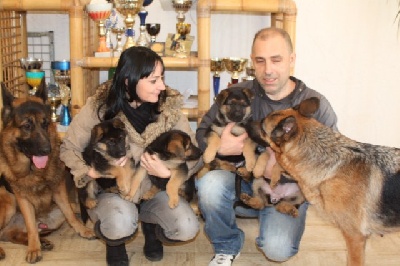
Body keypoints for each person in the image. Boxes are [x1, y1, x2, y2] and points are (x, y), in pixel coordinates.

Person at [196, 27, 338, 265]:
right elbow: (201, 133)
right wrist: (221, 147)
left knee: (278, 249)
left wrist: (287, 168)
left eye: (276, 60)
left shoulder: (315, 105)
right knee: (209, 185)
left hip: (287, 189)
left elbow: (333, 159)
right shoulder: (237, 93)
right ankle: (226, 244)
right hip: (241, 178)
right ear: (252, 61)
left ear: (292, 60)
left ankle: (269, 215)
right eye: (260, 61)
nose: (268, 70)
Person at [60, 46, 202, 266]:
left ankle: (150, 224)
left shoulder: (169, 107)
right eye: (154, 80)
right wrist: (88, 171)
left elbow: (195, 155)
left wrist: (166, 173)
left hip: (154, 189)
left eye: (162, 78)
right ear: (129, 81)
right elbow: (68, 148)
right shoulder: (98, 106)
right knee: (119, 223)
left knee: (186, 227)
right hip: (114, 189)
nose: (162, 86)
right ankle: (115, 242)